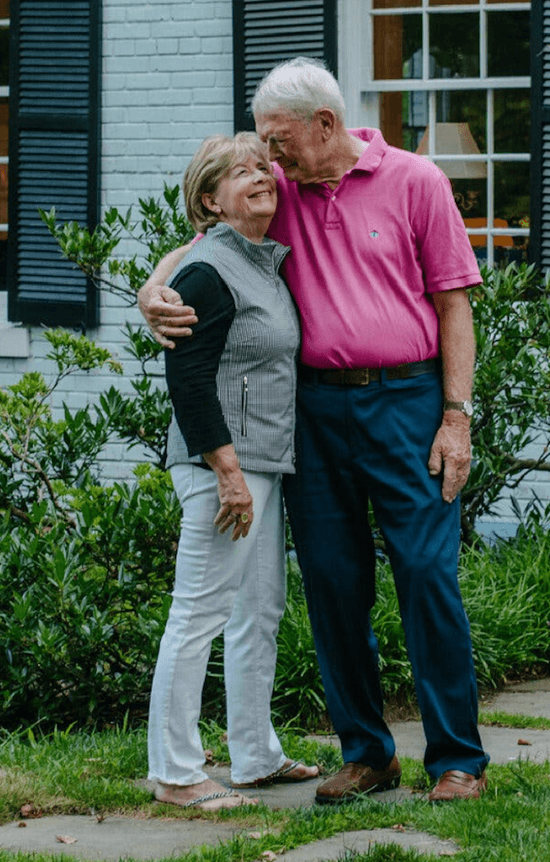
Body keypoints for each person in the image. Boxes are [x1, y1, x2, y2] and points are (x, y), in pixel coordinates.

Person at [139, 58, 490, 805]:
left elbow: (456, 303)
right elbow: (211, 239)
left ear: (323, 126)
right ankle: (367, 753)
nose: (268, 156)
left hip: (409, 402)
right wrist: (153, 287)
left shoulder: (417, 182)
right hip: (316, 414)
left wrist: (456, 416)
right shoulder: (282, 193)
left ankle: (458, 758)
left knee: (427, 575)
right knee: (333, 584)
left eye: (277, 139)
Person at [147, 131, 318, 812]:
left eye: (263, 167)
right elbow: (187, 381)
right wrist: (226, 471)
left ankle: (254, 755)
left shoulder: (256, 260)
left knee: (259, 609)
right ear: (210, 201)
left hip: (262, 461)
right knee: (200, 613)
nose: (261, 176)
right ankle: (176, 772)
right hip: (223, 464)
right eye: (240, 172)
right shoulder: (208, 268)